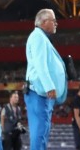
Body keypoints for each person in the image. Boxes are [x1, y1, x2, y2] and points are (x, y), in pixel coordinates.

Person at [24, 8, 67, 150]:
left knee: (41, 132)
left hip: (39, 93)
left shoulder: (41, 37)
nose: (56, 23)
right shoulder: (38, 37)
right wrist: (49, 86)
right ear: (43, 22)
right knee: (40, 132)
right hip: (39, 93)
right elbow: (40, 65)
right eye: (53, 20)